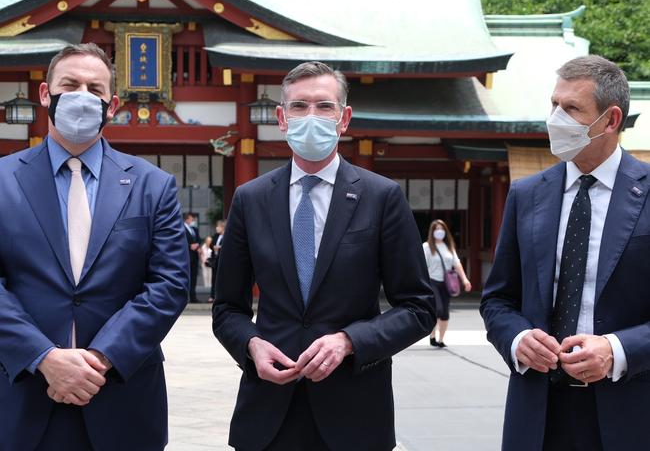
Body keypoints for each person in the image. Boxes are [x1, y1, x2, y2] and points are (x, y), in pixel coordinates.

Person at [212, 61, 436, 451]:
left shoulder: (381, 197)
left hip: (355, 409)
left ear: (343, 118)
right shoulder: (251, 199)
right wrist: (250, 345)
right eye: (299, 107)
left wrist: (349, 341)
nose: (310, 116)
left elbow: (419, 308)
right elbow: (227, 308)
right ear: (281, 119)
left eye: (324, 106)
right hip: (268, 409)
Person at [0, 43, 189, 451]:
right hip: (21, 391)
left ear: (112, 103)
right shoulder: (2, 180)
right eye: (70, 84)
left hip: (121, 393)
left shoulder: (151, 185)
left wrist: (100, 359)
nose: (82, 95)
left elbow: (169, 285)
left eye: (94, 88)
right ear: (46, 94)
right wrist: (44, 357)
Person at [480, 55, 650, 451]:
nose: (555, 118)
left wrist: (616, 349)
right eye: (554, 105)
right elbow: (498, 300)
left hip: (630, 407)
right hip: (538, 411)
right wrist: (518, 338)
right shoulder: (527, 194)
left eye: (571, 108)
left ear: (610, 120)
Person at [422, 219, 471, 348]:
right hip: (432, 281)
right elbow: (420, 266)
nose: (440, 231)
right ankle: (432, 335)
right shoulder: (426, 247)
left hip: (447, 283)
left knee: (444, 312)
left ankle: (440, 339)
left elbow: (457, 264)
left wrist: (465, 279)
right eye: (437, 229)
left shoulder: (449, 247)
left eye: (442, 229)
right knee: (437, 309)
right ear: (432, 232)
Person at [183, 212, 201, 303]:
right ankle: (185, 297)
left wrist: (197, 245)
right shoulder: (181, 229)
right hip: (187, 256)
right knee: (187, 277)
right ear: (186, 219)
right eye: (191, 218)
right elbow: (181, 241)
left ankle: (193, 297)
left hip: (194, 256)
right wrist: (190, 246)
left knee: (193, 277)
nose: (193, 220)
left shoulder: (194, 229)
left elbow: (199, 240)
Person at [209, 219, 225, 303]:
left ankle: (220, 296)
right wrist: (214, 247)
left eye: (218, 226)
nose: (216, 228)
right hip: (215, 259)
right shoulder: (215, 236)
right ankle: (212, 296)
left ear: (222, 227)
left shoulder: (227, 235)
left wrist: (220, 247)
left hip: (222, 260)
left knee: (221, 278)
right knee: (214, 278)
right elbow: (211, 245)